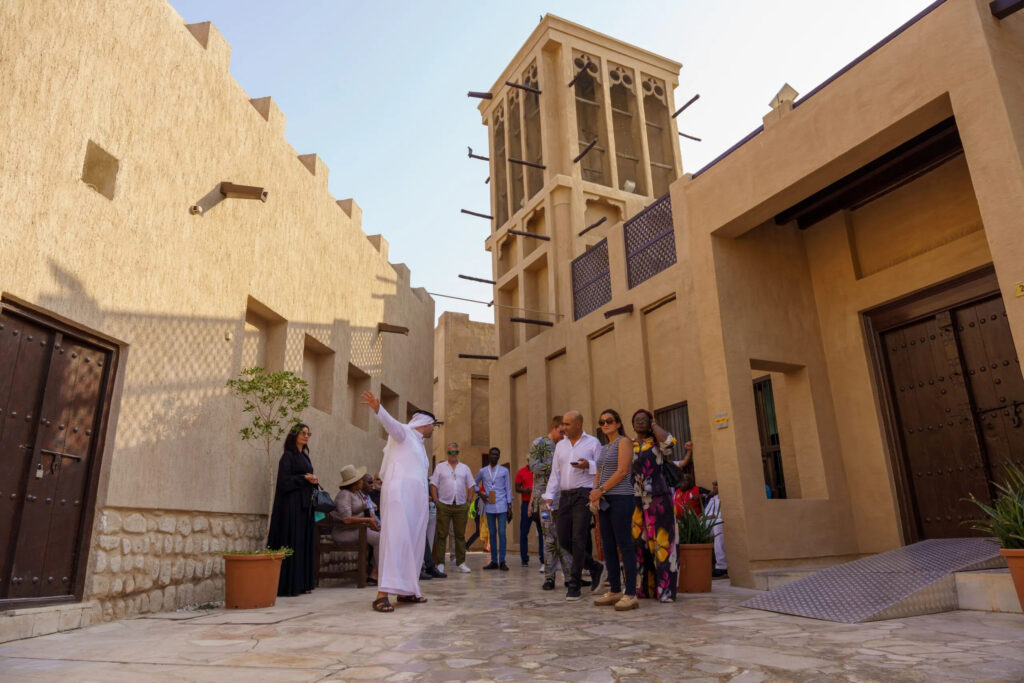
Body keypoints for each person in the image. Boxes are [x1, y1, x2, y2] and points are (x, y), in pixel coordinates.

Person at [361, 390, 435, 613]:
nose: (434, 429)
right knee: (395, 540)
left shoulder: (419, 444)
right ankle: (382, 595)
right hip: (399, 499)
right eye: (433, 425)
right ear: (425, 423)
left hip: (415, 502)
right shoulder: (404, 433)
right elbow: (391, 424)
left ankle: (406, 590)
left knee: (412, 543)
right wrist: (378, 408)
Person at [544, 411, 604, 601]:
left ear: (579, 425)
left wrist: (589, 466)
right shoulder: (560, 445)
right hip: (565, 496)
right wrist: (549, 495)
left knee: (578, 538)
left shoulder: (593, 442)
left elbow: (602, 468)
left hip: (583, 494)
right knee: (564, 539)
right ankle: (594, 567)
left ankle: (574, 584)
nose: (563, 428)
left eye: (567, 424)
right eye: (563, 424)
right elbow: (556, 472)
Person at [589, 409, 638, 611]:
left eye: (609, 421)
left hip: (621, 497)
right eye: (602, 422)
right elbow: (599, 471)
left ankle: (631, 593)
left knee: (624, 544)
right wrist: (594, 493)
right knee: (607, 545)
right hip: (605, 499)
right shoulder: (604, 447)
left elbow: (622, 471)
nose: (605, 424)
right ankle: (615, 589)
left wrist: (600, 490)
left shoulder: (623, 442)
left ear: (618, 423)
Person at [631, 409, 678, 602]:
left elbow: (670, 444)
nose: (640, 422)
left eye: (644, 420)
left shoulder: (656, 443)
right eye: (637, 420)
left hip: (659, 499)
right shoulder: (630, 445)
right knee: (639, 546)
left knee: (662, 544)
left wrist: (654, 424)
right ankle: (644, 589)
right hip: (636, 500)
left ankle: (665, 591)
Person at [267, 423, 318, 597]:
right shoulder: (287, 457)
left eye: (308, 433)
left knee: (303, 542)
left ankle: (303, 582)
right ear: (294, 435)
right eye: (303, 433)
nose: (306, 436)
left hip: (304, 505)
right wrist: (303, 478)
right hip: (291, 506)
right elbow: (284, 482)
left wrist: (312, 480)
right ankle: (290, 585)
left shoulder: (305, 456)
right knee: (293, 541)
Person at [530, 416, 572, 591]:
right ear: (554, 427)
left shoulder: (567, 445)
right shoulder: (539, 443)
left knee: (564, 537)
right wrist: (554, 466)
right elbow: (533, 466)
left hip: (563, 499)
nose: (563, 435)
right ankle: (549, 577)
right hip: (544, 501)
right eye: (561, 432)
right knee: (548, 538)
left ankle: (570, 577)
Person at [430, 442, 476, 574]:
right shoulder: (440, 467)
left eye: (455, 452)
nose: (453, 455)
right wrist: (436, 501)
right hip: (444, 505)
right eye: (450, 452)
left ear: (458, 453)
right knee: (442, 535)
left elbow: (471, 485)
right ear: (447, 453)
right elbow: (433, 484)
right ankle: (440, 563)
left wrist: (468, 502)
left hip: (461, 505)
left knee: (460, 535)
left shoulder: (464, 468)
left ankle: (461, 562)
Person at [331, 464, 380, 584]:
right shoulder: (344, 495)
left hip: (358, 529)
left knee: (386, 536)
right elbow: (347, 519)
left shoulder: (356, 494)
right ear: (355, 482)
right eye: (360, 480)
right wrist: (368, 521)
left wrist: (372, 521)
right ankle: (378, 573)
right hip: (344, 532)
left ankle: (375, 573)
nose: (362, 482)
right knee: (380, 539)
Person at [476, 447, 513, 570]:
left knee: (502, 533)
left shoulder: (504, 471)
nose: (494, 456)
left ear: (499, 456)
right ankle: (493, 561)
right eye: (492, 454)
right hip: (489, 506)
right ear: (489, 455)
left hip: (502, 505)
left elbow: (508, 488)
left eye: (497, 455)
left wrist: (509, 506)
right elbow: (473, 483)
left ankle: (502, 561)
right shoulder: (482, 471)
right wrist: (480, 494)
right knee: (492, 533)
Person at [515, 461, 542, 567]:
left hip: (540, 503)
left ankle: (543, 559)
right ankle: (524, 559)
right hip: (526, 503)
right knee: (524, 531)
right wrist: (524, 490)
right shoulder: (521, 472)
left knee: (542, 532)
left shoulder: (540, 471)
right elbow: (517, 487)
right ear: (528, 461)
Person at [705, 480, 727, 578]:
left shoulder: (726, 497)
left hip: (721, 522)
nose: (714, 487)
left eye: (716, 485)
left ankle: (722, 566)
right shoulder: (713, 499)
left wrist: (714, 516)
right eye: (713, 485)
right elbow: (706, 514)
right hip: (711, 522)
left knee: (718, 525)